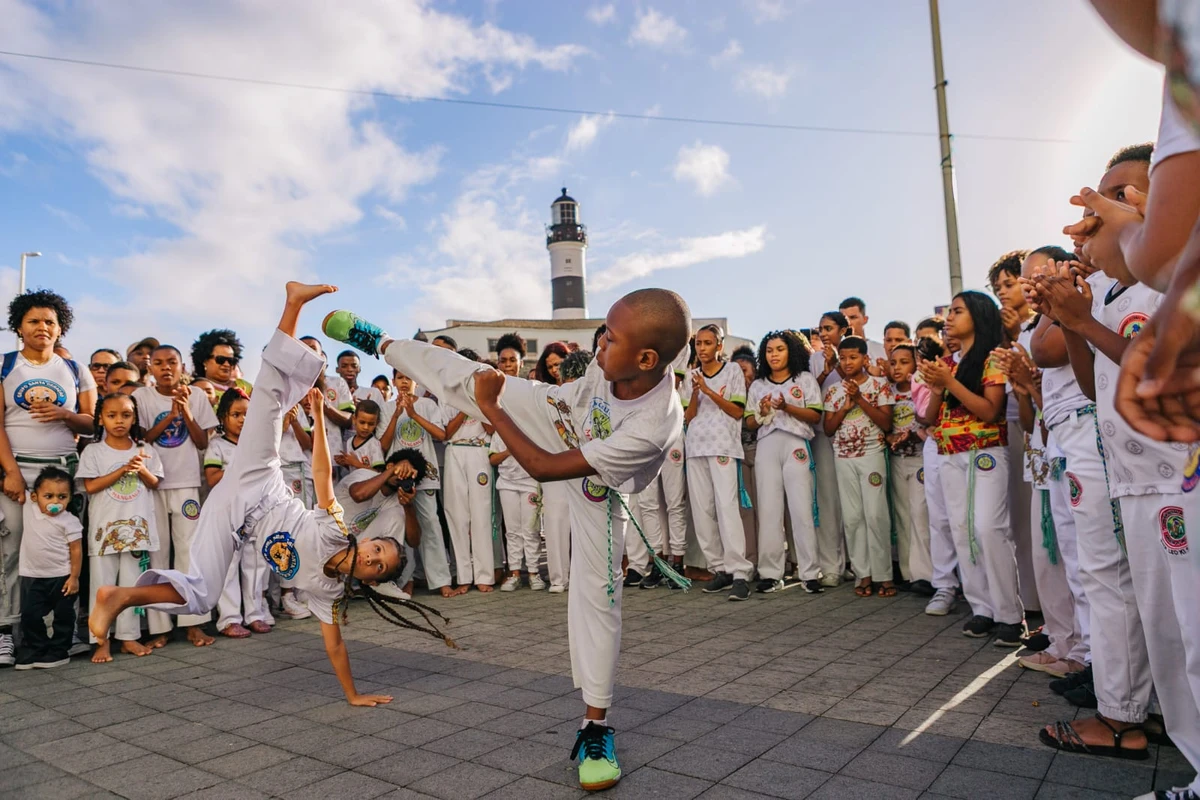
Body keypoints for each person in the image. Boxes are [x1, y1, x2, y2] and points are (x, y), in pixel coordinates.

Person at [322, 286, 690, 791]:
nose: (599, 344)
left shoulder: (654, 424)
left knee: (600, 597)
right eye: (602, 332)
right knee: (475, 376)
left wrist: (492, 409)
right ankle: (382, 342)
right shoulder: (621, 356)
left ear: (646, 359)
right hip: (563, 410)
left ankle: (595, 727)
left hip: (596, 486)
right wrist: (493, 394)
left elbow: (544, 468)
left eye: (611, 338)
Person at [90, 282, 449, 709]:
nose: (372, 558)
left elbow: (335, 646)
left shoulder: (327, 593)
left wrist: (353, 694)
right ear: (366, 540)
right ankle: (293, 301)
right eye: (377, 549)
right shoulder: (336, 531)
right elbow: (321, 475)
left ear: (371, 581)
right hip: (259, 481)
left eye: (378, 566)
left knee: (202, 596)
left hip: (233, 521)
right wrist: (317, 419)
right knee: (269, 399)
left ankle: (119, 596)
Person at [919, 291, 1024, 647]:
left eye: (957, 311)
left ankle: (1010, 614)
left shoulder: (994, 358)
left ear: (978, 316)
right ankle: (982, 608)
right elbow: (929, 417)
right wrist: (938, 387)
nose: (949, 318)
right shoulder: (947, 363)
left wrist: (949, 383)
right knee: (962, 529)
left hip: (985, 453)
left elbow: (991, 411)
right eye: (949, 311)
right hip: (949, 453)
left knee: (989, 528)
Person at [0, 289, 97, 668]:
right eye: (34, 321)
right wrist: (10, 472)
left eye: (50, 322)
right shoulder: (5, 366)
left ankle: (63, 629)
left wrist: (65, 415)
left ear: (60, 328)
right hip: (18, 471)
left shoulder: (75, 370)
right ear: (19, 327)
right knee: (13, 552)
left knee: (64, 550)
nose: (42, 327)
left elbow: (91, 424)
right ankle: (8, 631)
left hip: (61, 473)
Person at [133, 346, 220, 647]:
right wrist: (170, 415)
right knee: (157, 554)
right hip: (153, 483)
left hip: (186, 485)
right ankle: (160, 627)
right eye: (158, 363)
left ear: (182, 366)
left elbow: (201, 442)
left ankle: (194, 623)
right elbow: (141, 438)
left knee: (188, 552)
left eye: (172, 362)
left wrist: (185, 412)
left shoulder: (195, 395)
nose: (166, 368)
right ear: (150, 368)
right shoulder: (141, 397)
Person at [78, 393, 165, 661]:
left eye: (126, 415)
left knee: (131, 587)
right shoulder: (94, 451)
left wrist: (141, 469)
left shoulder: (145, 450)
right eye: (112, 415)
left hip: (136, 532)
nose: (119, 421)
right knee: (101, 587)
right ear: (100, 419)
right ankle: (101, 640)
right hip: (104, 533)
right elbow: (90, 486)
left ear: (134, 418)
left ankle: (129, 637)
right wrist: (123, 470)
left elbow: (155, 483)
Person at [746, 330, 823, 594]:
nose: (774, 355)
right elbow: (749, 422)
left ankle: (810, 573)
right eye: (769, 350)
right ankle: (770, 573)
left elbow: (815, 415)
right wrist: (762, 411)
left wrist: (786, 407)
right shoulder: (758, 385)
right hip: (767, 444)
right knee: (769, 510)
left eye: (779, 349)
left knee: (802, 509)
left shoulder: (804, 379)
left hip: (796, 444)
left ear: (791, 351)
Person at [989, 250, 1041, 615]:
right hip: (1014, 424)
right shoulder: (1001, 331)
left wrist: (1017, 334)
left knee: (1040, 517)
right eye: (998, 288)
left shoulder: (1043, 324)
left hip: (1043, 425)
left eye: (1009, 284)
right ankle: (1032, 600)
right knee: (1021, 518)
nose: (1004, 292)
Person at [823, 335, 895, 597]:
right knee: (853, 518)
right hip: (843, 458)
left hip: (872, 455)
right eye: (842, 358)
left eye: (853, 357)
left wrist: (860, 399)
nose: (847, 362)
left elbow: (886, 423)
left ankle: (884, 575)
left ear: (865, 359)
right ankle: (862, 574)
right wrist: (844, 408)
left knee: (876, 515)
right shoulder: (833, 391)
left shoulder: (879, 385)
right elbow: (828, 429)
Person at [684, 324, 752, 601]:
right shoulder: (691, 375)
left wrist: (709, 391)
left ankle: (739, 572)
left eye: (708, 343)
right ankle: (719, 568)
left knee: (727, 508)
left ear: (719, 346)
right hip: (695, 447)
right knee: (702, 511)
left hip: (723, 446)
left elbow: (737, 411)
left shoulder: (732, 371)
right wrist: (696, 392)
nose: (702, 348)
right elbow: (688, 417)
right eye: (698, 343)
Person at [204, 388, 274, 639]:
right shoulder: (217, 446)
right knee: (230, 564)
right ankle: (230, 618)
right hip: (228, 512)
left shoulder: (256, 446)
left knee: (256, 562)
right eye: (236, 414)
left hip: (255, 511)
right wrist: (239, 468)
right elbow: (212, 478)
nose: (243, 420)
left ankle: (255, 613)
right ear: (223, 417)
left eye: (247, 414)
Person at [378, 371, 454, 598]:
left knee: (431, 524)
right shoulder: (386, 408)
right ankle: (406, 579)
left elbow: (441, 434)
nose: (404, 381)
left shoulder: (428, 405)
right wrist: (397, 415)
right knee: (401, 528)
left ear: (416, 381)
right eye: (400, 377)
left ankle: (441, 580)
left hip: (426, 474)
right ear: (393, 381)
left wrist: (413, 414)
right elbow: (383, 445)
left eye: (408, 377)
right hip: (396, 477)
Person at [14, 466, 81, 669]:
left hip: (62, 576)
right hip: (32, 576)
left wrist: (74, 577)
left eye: (62, 497)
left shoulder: (70, 521)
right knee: (30, 614)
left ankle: (59, 650)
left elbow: (76, 550)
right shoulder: (30, 508)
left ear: (69, 498)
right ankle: (37, 648)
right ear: (35, 497)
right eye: (48, 496)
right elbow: (14, 486)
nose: (55, 502)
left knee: (63, 615)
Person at [918, 334, 963, 616]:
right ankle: (945, 585)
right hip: (937, 445)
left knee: (971, 521)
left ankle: (979, 589)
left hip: (975, 444)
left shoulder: (984, 360)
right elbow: (925, 415)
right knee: (940, 519)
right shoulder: (933, 368)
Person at [887, 343, 933, 594]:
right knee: (903, 515)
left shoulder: (922, 387)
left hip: (919, 458)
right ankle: (907, 572)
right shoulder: (888, 392)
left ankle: (924, 574)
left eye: (904, 362)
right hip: (897, 459)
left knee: (920, 513)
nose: (897, 368)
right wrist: (890, 438)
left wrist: (913, 436)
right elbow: (883, 424)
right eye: (893, 363)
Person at [808, 311, 850, 586]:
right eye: (821, 329)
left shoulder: (856, 352)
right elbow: (811, 393)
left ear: (843, 330)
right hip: (823, 435)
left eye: (829, 328)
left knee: (851, 501)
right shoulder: (814, 359)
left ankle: (855, 563)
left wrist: (839, 363)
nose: (823, 334)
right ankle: (832, 566)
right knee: (827, 500)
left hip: (854, 435)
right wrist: (827, 368)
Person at [532, 342, 573, 593]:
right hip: (553, 460)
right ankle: (559, 578)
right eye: (550, 366)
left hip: (579, 459)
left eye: (558, 364)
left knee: (581, 522)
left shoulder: (581, 388)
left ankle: (581, 576)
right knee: (555, 520)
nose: (555, 369)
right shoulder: (543, 393)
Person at [190, 330, 252, 405]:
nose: (227, 364)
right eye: (221, 360)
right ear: (205, 361)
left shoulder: (248, 387)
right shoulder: (198, 389)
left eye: (231, 360)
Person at [336, 399, 385, 472]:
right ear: (354, 419)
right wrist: (345, 463)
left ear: (376, 424)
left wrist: (357, 464)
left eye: (371, 424)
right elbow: (353, 470)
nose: (366, 427)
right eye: (362, 422)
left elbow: (378, 473)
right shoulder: (349, 442)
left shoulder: (374, 444)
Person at [838, 297, 887, 363]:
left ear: (865, 319)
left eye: (853, 317)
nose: (848, 323)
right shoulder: (835, 353)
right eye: (844, 319)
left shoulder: (882, 350)